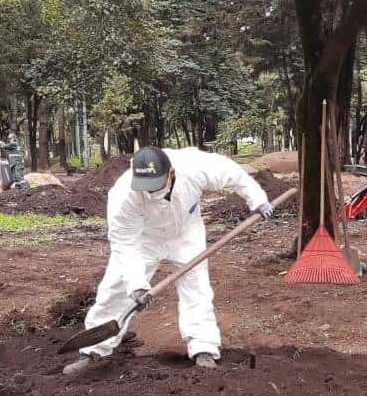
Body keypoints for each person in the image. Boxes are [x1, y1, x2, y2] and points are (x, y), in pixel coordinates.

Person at [64, 146, 274, 375]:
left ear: (171, 173)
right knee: (115, 290)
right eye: (145, 186)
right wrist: (137, 285)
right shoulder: (123, 195)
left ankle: (203, 349)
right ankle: (93, 351)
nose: (150, 191)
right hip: (144, 240)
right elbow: (125, 244)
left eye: (156, 184)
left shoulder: (194, 166)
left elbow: (232, 173)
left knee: (196, 289)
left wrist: (257, 200)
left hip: (186, 234)